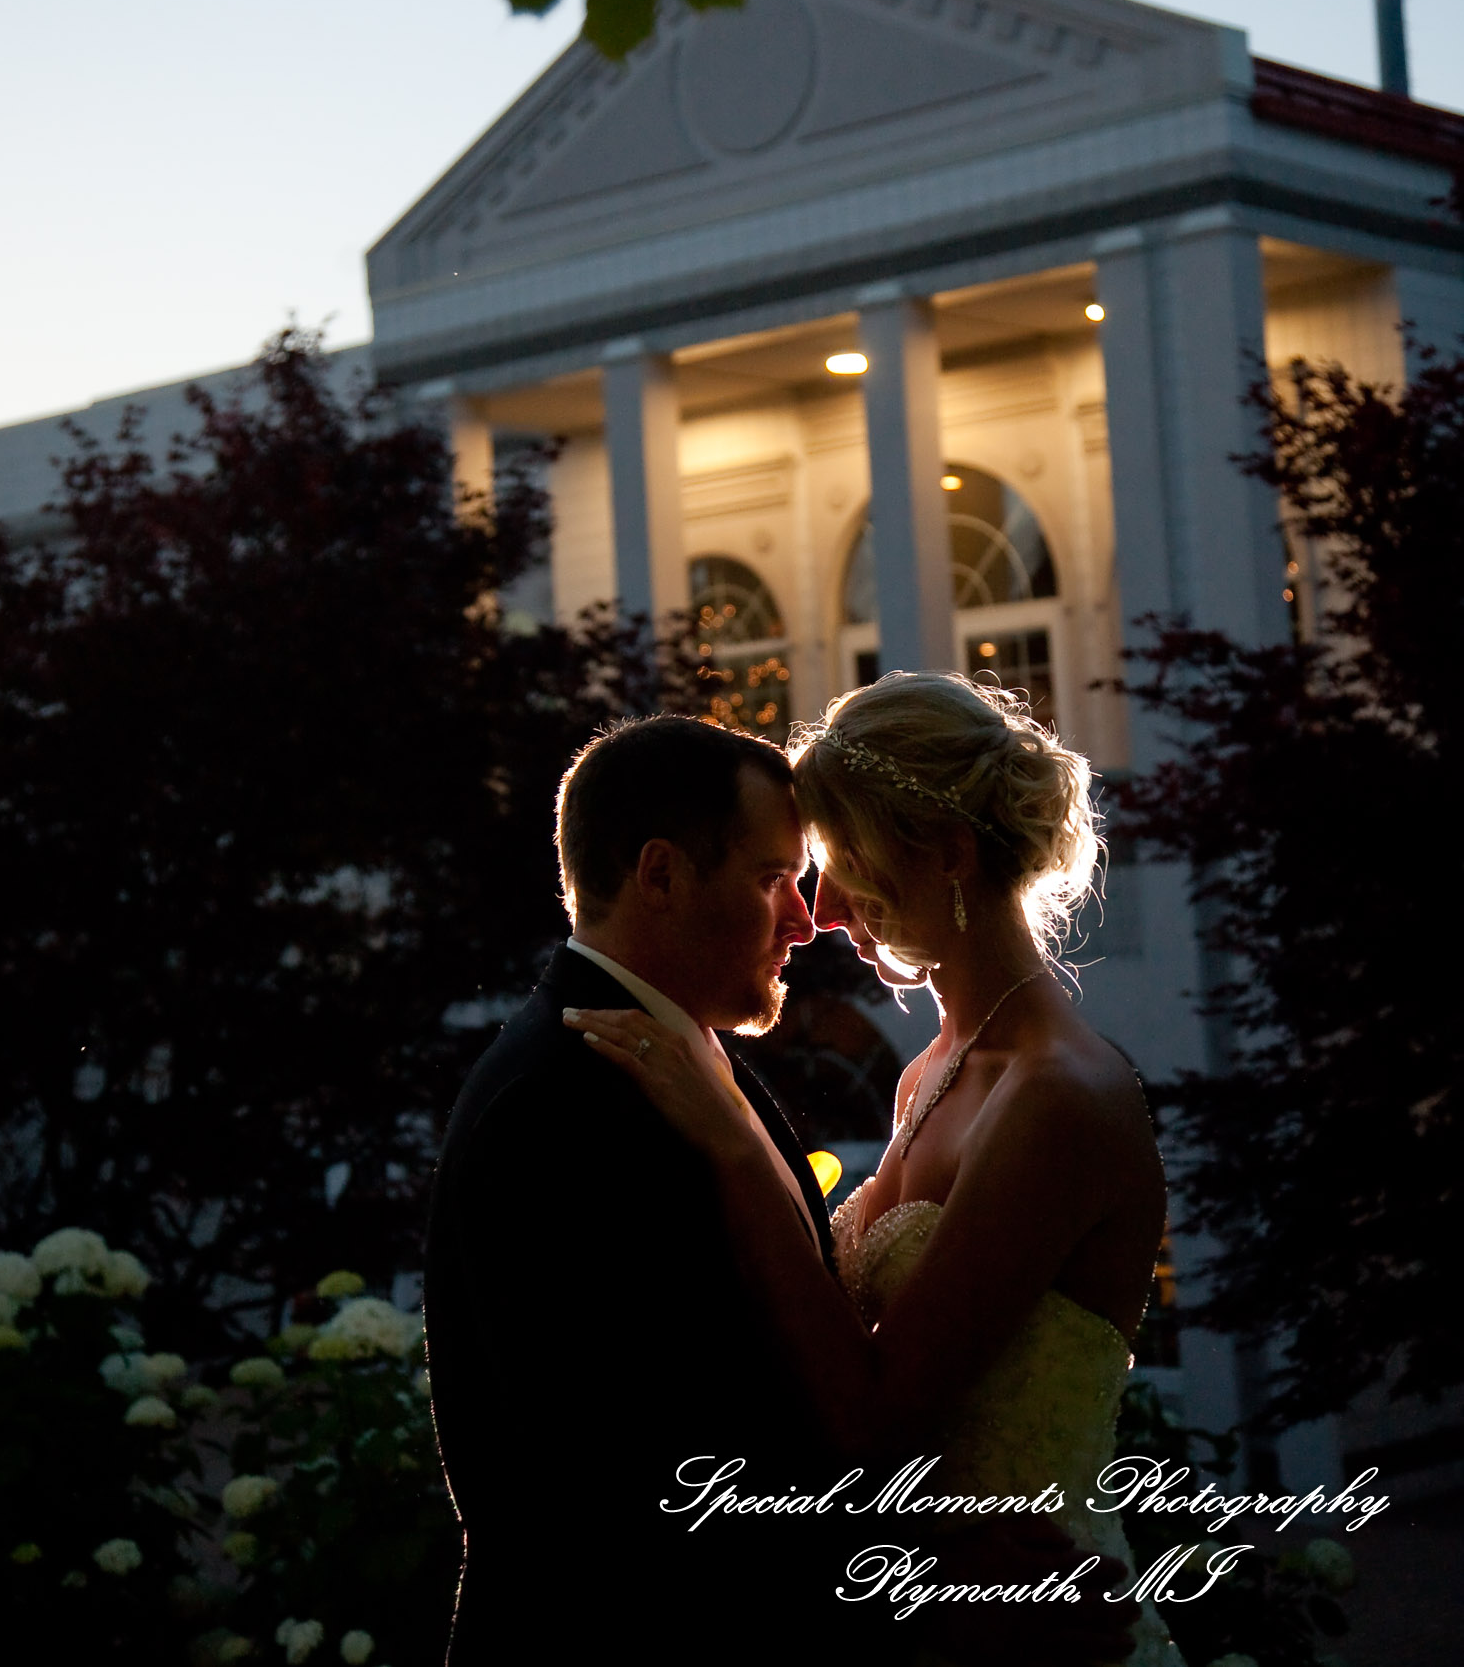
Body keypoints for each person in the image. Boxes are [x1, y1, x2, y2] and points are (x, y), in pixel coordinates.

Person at [425, 709, 1138, 1666]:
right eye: (777, 879)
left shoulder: (688, 1064)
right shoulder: (561, 1103)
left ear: (950, 856)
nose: (815, 916)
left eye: (822, 869)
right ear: (663, 876)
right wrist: (914, 1602)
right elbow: (623, 1495)